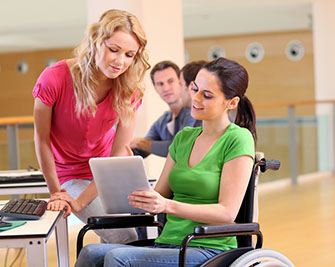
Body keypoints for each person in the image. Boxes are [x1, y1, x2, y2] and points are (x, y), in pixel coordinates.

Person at [75, 57, 258, 267]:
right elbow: (159, 197)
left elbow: (227, 213)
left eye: (207, 95)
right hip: (168, 243)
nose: (196, 98)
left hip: (207, 247)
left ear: (232, 103)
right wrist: (137, 192)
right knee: (90, 252)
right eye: (195, 89)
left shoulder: (238, 138)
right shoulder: (184, 137)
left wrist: (167, 205)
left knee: (117, 258)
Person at [32, 9, 150, 244]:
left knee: (139, 234)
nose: (120, 62)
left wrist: (82, 201)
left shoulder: (130, 90)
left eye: (129, 55)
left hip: (106, 170)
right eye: (113, 50)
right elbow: (42, 139)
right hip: (69, 173)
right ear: (96, 41)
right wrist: (58, 193)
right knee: (123, 235)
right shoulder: (54, 78)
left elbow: (117, 153)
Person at [130, 60, 201, 158]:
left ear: (180, 82)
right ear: (155, 88)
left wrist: (140, 142)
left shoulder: (194, 112)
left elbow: (179, 147)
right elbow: (140, 150)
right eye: (160, 84)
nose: (166, 88)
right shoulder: (162, 122)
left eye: (171, 81)